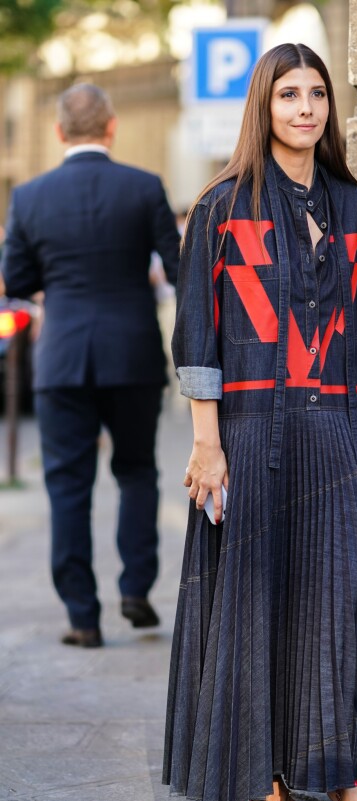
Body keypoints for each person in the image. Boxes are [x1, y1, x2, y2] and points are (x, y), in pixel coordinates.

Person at [163, 44, 357, 801]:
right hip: (251, 430)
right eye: (289, 95)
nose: (306, 108)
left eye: (317, 95)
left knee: (347, 597)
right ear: (264, 106)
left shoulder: (356, 205)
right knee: (260, 601)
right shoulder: (223, 208)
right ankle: (267, 774)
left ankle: (349, 781)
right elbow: (199, 333)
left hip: (340, 431)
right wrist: (207, 445)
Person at [1, 84, 181, 648]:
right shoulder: (144, 187)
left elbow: (19, 278)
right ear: (111, 127)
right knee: (137, 472)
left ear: (58, 132)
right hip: (132, 355)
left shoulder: (30, 197)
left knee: (68, 486)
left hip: (63, 361)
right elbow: (178, 269)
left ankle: (83, 615)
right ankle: (136, 589)